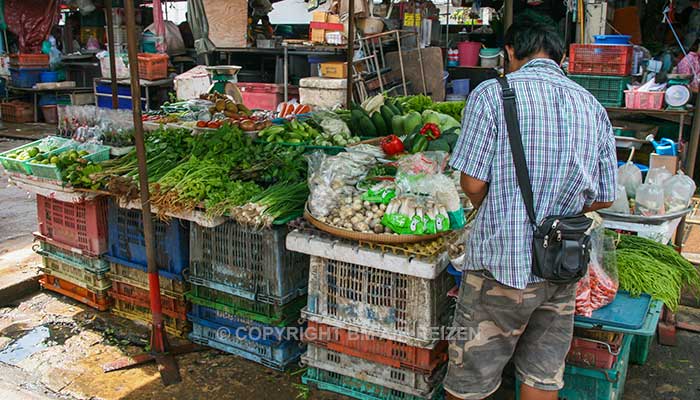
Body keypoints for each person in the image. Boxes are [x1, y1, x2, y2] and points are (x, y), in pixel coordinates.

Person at [444, 17, 617, 400]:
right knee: (542, 374)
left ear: (509, 51)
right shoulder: (591, 106)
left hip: (501, 265)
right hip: (561, 264)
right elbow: (604, 196)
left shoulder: (493, 94)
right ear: (557, 55)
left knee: (471, 378)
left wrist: (504, 208)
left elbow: (472, 184)